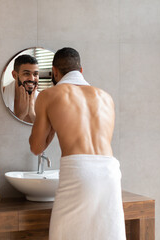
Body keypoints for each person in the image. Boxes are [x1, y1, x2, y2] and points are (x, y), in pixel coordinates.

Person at [29, 47, 126, 240]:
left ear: (55, 72)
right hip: (109, 172)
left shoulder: (49, 95)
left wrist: (52, 123)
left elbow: (36, 147)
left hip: (79, 171)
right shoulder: (106, 97)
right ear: (80, 70)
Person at [2, 54, 39, 123]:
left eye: (35, 74)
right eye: (26, 74)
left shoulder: (44, 99)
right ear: (14, 75)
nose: (32, 78)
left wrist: (32, 114)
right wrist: (21, 114)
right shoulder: (1, 94)